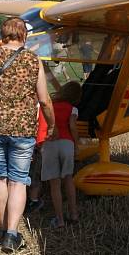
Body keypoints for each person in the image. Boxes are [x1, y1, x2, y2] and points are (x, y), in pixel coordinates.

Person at [0, 17, 55, 252]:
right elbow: (44, 99)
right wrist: (51, 123)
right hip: (23, 129)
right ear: (23, 35)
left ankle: (4, 228)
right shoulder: (33, 59)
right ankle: (12, 234)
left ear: (3, 33)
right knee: (18, 181)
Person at [41, 81, 81, 228]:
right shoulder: (73, 109)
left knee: (55, 184)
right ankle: (74, 214)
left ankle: (60, 219)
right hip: (67, 144)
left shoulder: (49, 106)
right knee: (68, 179)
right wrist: (77, 145)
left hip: (50, 144)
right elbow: (72, 127)